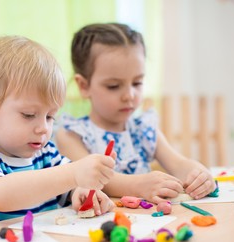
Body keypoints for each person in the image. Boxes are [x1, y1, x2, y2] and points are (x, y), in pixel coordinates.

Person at [0, 35, 115, 227]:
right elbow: (0, 195)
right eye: (29, 115)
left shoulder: (45, 153)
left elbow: (64, 186)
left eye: (50, 117)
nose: (43, 128)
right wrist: (73, 174)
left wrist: (78, 192)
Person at [55, 23, 216, 205]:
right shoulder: (72, 134)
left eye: (137, 83)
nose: (129, 95)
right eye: (113, 86)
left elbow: (178, 164)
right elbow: (89, 177)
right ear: (84, 86)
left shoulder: (144, 128)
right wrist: (139, 184)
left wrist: (199, 174)